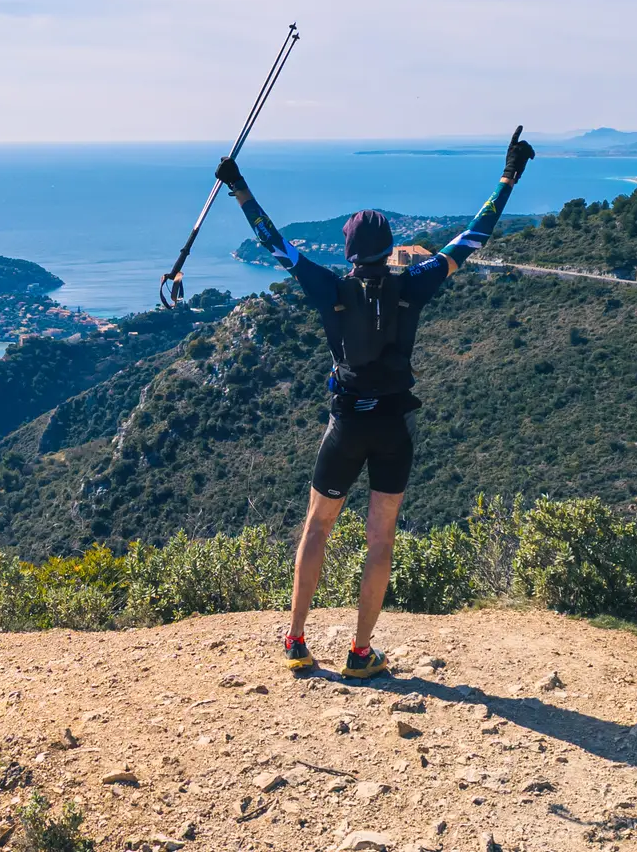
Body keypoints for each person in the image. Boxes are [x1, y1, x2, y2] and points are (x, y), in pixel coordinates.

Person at [214, 127, 534, 677]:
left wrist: (238, 187)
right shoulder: (414, 283)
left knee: (317, 528)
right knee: (380, 538)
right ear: (388, 249)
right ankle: (361, 652)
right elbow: (472, 237)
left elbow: (275, 243)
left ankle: (296, 641)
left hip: (345, 425)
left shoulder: (330, 289)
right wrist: (508, 176)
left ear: (347, 252)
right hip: (393, 428)